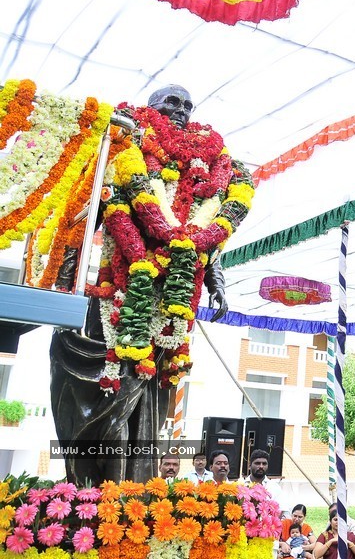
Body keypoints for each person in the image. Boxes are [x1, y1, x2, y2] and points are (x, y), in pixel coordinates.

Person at [50, 85, 245, 485]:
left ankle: (134, 493)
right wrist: (63, 286)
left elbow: (205, 239)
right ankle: (89, 493)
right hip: (116, 297)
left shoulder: (204, 169)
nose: (181, 111)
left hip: (168, 314)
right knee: (106, 395)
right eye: (172, 102)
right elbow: (80, 221)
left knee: (148, 406)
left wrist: (216, 283)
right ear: (152, 106)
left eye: (188, 105)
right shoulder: (124, 146)